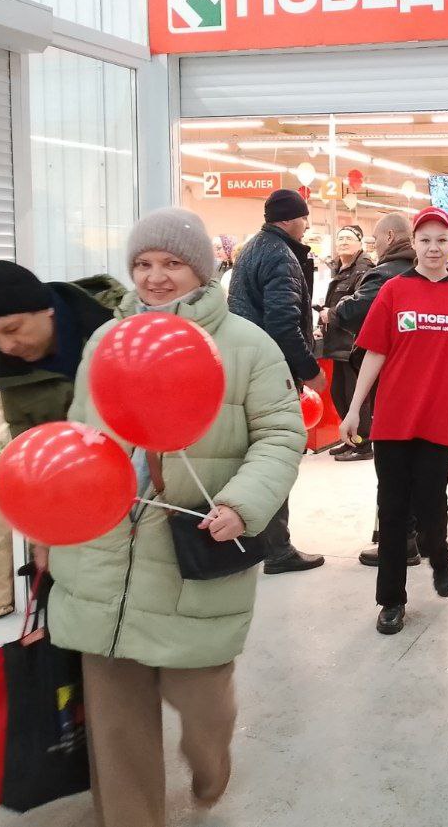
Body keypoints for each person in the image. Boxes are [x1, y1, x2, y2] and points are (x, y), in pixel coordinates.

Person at [38, 207, 306, 827]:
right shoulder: (105, 342)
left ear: (202, 270)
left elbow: (280, 435)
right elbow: (78, 438)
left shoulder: (248, 347)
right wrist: (48, 527)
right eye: (142, 263)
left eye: (171, 263)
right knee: (116, 727)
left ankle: (210, 766)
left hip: (192, 550)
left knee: (204, 704)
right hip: (104, 551)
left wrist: (241, 503)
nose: (154, 277)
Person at [339, 207, 448, 636]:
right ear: (415, 244)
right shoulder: (394, 290)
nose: (433, 248)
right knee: (391, 510)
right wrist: (354, 408)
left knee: (431, 504)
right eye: (425, 240)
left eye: (441, 240)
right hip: (392, 420)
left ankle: (439, 556)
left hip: (438, 420)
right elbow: (375, 352)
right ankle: (391, 600)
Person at [227, 188, 327, 574]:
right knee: (276, 456)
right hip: (272, 374)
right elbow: (283, 324)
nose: (306, 225)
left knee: (255, 457)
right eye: (304, 218)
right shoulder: (281, 255)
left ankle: (259, 543)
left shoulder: (253, 249)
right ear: (289, 219)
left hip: (246, 367)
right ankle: (277, 549)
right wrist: (310, 371)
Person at [334, 212, 421, 568]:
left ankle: (401, 542)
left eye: (373, 239)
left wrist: (338, 307)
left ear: (388, 237)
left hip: (393, 384)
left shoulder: (384, 277)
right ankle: (422, 535)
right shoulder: (444, 279)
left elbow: (357, 319)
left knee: (394, 468)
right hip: (429, 387)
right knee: (422, 465)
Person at [0, 260, 125, 437]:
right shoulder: (12, 379)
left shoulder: (121, 319)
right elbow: (27, 443)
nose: (6, 347)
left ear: (47, 309)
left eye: (12, 329)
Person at [320, 225, 375, 462]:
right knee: (339, 393)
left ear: (359, 243)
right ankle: (351, 438)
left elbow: (359, 305)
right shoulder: (339, 268)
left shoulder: (363, 269)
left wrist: (331, 314)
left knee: (355, 395)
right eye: (340, 238)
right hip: (338, 341)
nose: (343, 242)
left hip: (353, 343)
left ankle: (363, 444)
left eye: (349, 238)